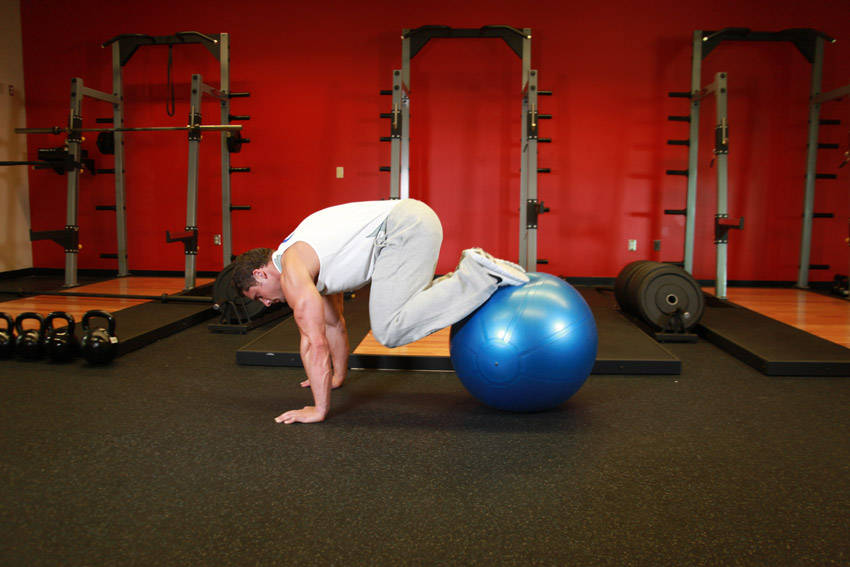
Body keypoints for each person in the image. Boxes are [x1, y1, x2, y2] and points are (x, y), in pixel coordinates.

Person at [231, 199, 529, 424]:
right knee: (395, 316)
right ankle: (474, 273)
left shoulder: (293, 272)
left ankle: (477, 274)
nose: (267, 303)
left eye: (260, 296)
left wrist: (318, 408)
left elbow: (313, 342)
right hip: (414, 218)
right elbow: (335, 326)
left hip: (402, 228)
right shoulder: (302, 259)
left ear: (260, 274)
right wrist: (337, 376)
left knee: (390, 328)